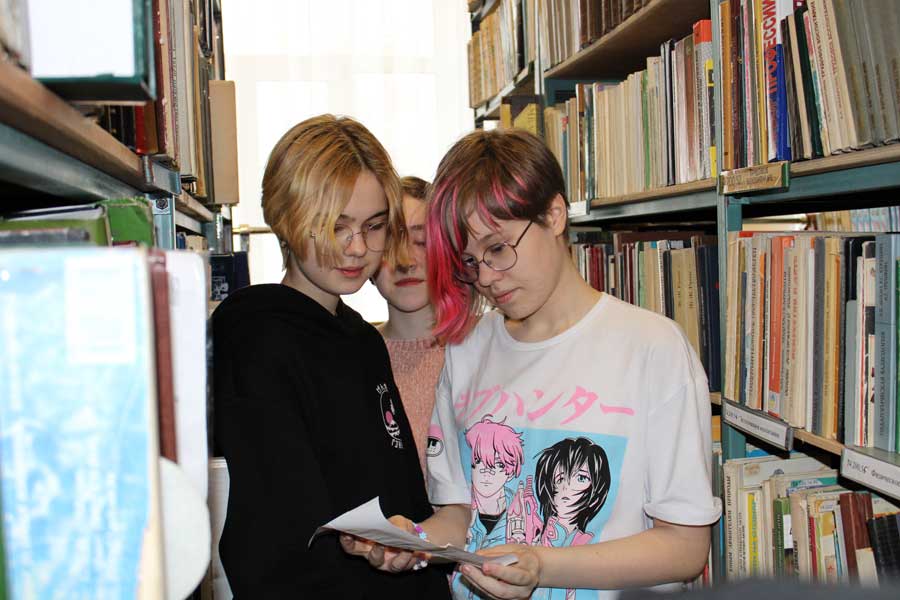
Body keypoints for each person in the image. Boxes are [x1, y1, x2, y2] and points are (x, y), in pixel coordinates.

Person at [342, 128, 721, 600]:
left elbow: (685, 548)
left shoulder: (652, 348)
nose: (486, 278)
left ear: (554, 214)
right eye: (469, 262)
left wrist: (542, 565)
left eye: (498, 249)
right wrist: (413, 542)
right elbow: (461, 515)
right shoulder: (466, 349)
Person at [212, 114, 450, 599]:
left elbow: (404, 500)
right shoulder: (256, 338)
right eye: (335, 227)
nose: (357, 248)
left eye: (374, 226)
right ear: (285, 219)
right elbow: (279, 536)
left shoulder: (361, 339)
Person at [372, 176, 444, 472]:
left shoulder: (485, 344)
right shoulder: (353, 356)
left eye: (421, 242)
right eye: (389, 244)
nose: (405, 260)